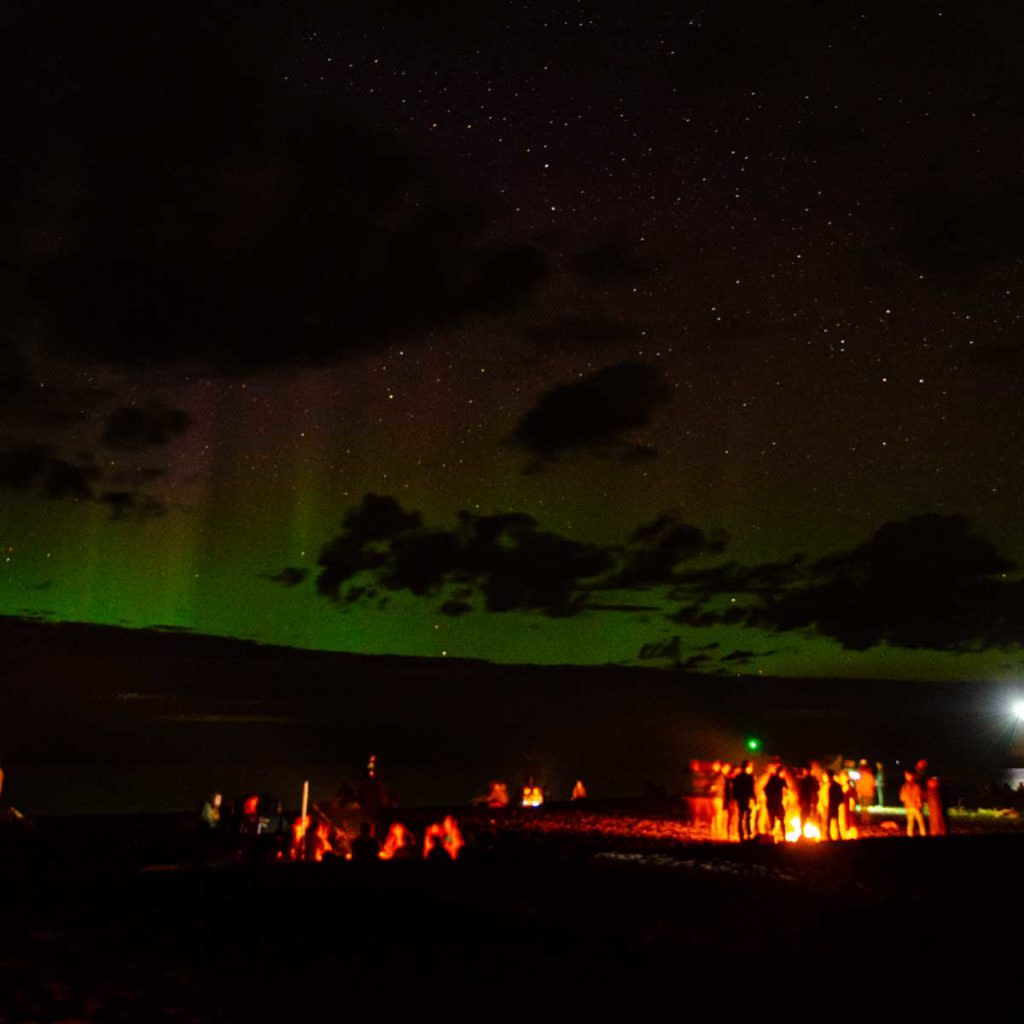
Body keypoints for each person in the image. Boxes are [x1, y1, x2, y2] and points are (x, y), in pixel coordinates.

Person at [733, 760, 756, 842]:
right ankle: (745, 835)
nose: (751, 768)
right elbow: (751, 789)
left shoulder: (741, 777)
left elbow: (751, 789)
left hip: (744, 799)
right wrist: (754, 798)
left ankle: (745, 835)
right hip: (743, 798)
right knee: (744, 816)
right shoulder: (745, 777)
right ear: (746, 767)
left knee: (744, 816)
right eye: (749, 767)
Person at [763, 764, 787, 841]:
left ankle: (774, 837)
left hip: (772, 803)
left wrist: (769, 797)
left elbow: (765, 789)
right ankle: (782, 837)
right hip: (775, 804)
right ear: (780, 772)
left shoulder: (773, 780)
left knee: (773, 822)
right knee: (781, 821)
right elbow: (787, 788)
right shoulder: (779, 780)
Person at [900, 770, 926, 837]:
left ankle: (917, 834)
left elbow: (902, 797)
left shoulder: (911, 786)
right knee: (917, 822)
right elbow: (903, 797)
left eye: (907, 775)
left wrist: (919, 804)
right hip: (912, 806)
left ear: (911, 776)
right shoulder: (906, 786)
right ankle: (917, 834)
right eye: (906, 776)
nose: (906, 777)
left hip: (914, 806)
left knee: (916, 822)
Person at [822, 770, 844, 840]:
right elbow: (823, 796)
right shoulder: (825, 785)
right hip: (827, 806)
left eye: (826, 776)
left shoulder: (836, 785)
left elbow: (841, 796)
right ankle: (828, 836)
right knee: (827, 823)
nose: (825, 778)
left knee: (835, 822)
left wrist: (836, 803)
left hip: (833, 806)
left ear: (830, 776)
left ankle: (838, 836)